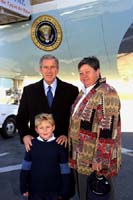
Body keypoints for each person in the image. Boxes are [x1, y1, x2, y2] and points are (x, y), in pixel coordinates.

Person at [68, 56, 121, 200]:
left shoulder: (107, 92)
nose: (84, 76)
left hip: (94, 159)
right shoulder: (84, 92)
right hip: (80, 156)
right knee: (84, 193)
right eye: (81, 73)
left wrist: (100, 158)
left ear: (98, 72)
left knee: (98, 194)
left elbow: (107, 129)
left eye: (88, 71)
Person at [16, 54, 79, 151]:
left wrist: (67, 135)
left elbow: (76, 120)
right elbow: (21, 118)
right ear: (40, 69)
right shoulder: (29, 91)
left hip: (62, 146)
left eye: (52, 67)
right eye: (45, 67)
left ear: (57, 69)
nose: (49, 71)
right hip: (36, 146)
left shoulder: (71, 91)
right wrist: (25, 135)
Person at [20, 113, 71, 200]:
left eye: (48, 127)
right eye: (41, 128)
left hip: (55, 190)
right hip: (35, 190)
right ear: (36, 130)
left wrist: (65, 190)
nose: (45, 130)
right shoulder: (31, 145)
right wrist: (23, 186)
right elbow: (25, 168)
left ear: (53, 127)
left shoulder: (59, 145)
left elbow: (65, 170)